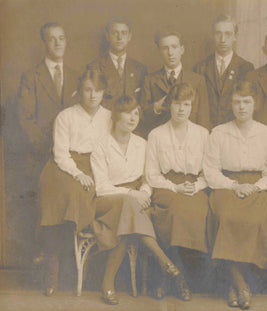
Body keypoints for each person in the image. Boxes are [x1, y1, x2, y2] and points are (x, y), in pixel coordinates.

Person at [90, 95, 183, 305]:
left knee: (126, 219)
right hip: (106, 201)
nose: (133, 118)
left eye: (136, 113)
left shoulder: (142, 144)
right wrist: (131, 194)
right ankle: (164, 261)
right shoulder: (101, 145)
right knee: (127, 207)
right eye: (127, 113)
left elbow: (148, 178)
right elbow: (102, 187)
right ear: (115, 116)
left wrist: (144, 192)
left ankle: (108, 284)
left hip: (133, 204)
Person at [203, 81, 267, 309]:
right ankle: (241, 285)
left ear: (255, 104)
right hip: (227, 186)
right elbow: (210, 170)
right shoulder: (219, 132)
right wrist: (234, 185)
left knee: (255, 220)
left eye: (246, 102)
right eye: (237, 102)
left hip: (259, 186)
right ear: (231, 104)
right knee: (227, 217)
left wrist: (255, 187)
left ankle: (232, 283)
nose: (241, 107)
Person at [38, 69, 111, 296]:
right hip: (63, 167)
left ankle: (80, 267)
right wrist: (76, 172)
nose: (92, 95)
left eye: (97, 91)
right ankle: (52, 270)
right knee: (63, 194)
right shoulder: (66, 116)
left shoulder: (109, 117)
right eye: (88, 90)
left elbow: (110, 149)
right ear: (80, 91)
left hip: (93, 165)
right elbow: (60, 153)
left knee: (82, 194)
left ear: (103, 92)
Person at [16, 22, 79, 264]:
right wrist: (50, 148)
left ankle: (70, 260)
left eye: (61, 37)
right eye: (52, 39)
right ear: (44, 43)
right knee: (43, 204)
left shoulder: (75, 75)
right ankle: (47, 256)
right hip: (42, 154)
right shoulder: (31, 77)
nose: (58, 43)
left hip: (73, 154)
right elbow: (26, 119)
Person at [145, 83, 210, 301]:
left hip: (193, 188)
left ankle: (169, 276)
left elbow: (209, 171)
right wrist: (174, 187)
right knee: (173, 211)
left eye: (186, 104)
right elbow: (151, 174)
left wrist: (197, 185)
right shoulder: (156, 134)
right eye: (176, 104)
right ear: (169, 106)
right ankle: (177, 277)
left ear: (192, 107)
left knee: (197, 212)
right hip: (166, 188)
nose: (181, 109)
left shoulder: (202, 134)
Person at [139, 30, 210, 136]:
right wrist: (156, 107)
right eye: (165, 48)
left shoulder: (197, 80)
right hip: (162, 139)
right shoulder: (150, 80)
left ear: (182, 49)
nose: (170, 53)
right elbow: (143, 116)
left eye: (174, 47)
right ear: (159, 51)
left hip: (190, 138)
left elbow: (204, 118)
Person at [193, 14, 254, 127]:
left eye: (228, 34)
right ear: (213, 36)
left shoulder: (246, 68)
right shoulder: (200, 67)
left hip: (234, 130)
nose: (222, 39)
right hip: (206, 131)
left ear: (235, 37)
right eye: (218, 34)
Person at [87, 16, 147, 110]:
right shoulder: (94, 67)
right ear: (107, 36)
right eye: (115, 33)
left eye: (124, 33)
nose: (119, 37)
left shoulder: (140, 69)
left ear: (129, 37)